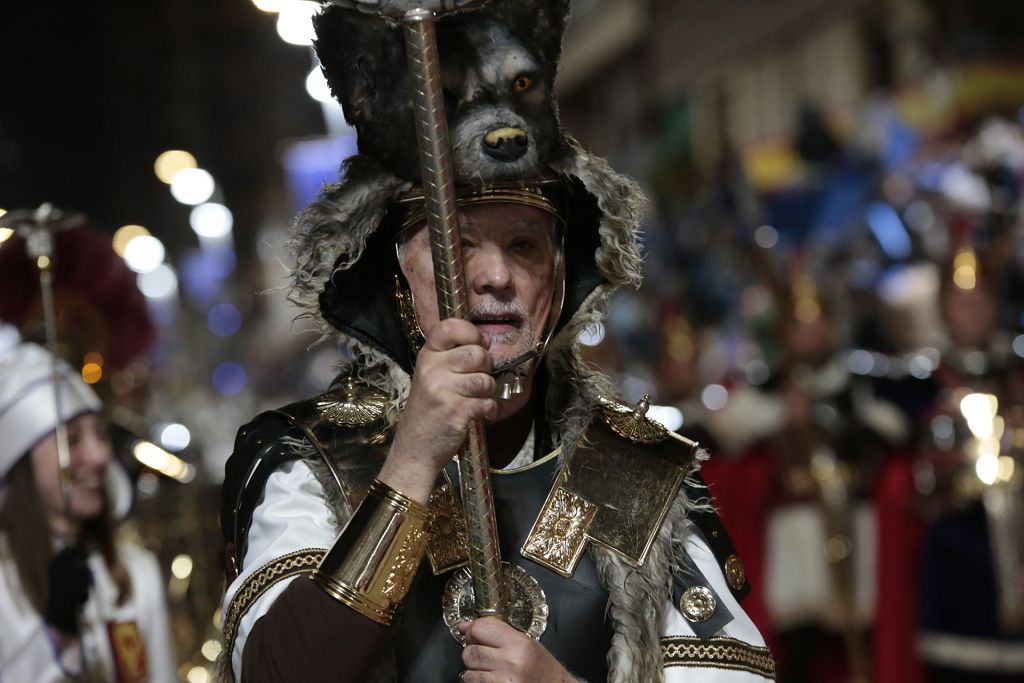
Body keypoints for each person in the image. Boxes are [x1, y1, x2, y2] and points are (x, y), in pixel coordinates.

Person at [216, 2, 772, 681]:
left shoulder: (629, 475)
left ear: (560, 279)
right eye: (458, 245)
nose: (496, 277)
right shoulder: (312, 466)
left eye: (524, 244)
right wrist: (413, 460)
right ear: (396, 278)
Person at [0, 326, 176, 682]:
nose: (98, 456)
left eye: (100, 434)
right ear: (20, 463)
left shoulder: (134, 572)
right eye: (73, 440)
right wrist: (58, 634)